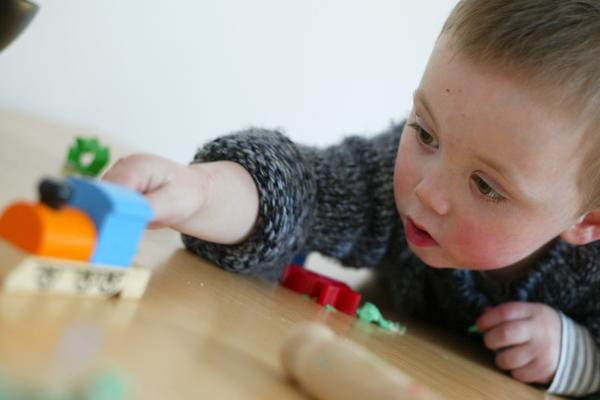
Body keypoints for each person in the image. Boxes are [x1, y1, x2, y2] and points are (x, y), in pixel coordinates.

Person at [103, 0, 600, 397]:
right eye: (426, 133)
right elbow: (300, 188)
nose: (428, 192)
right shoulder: (393, 181)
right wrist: (201, 191)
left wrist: (579, 358)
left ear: (588, 220)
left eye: (486, 186)